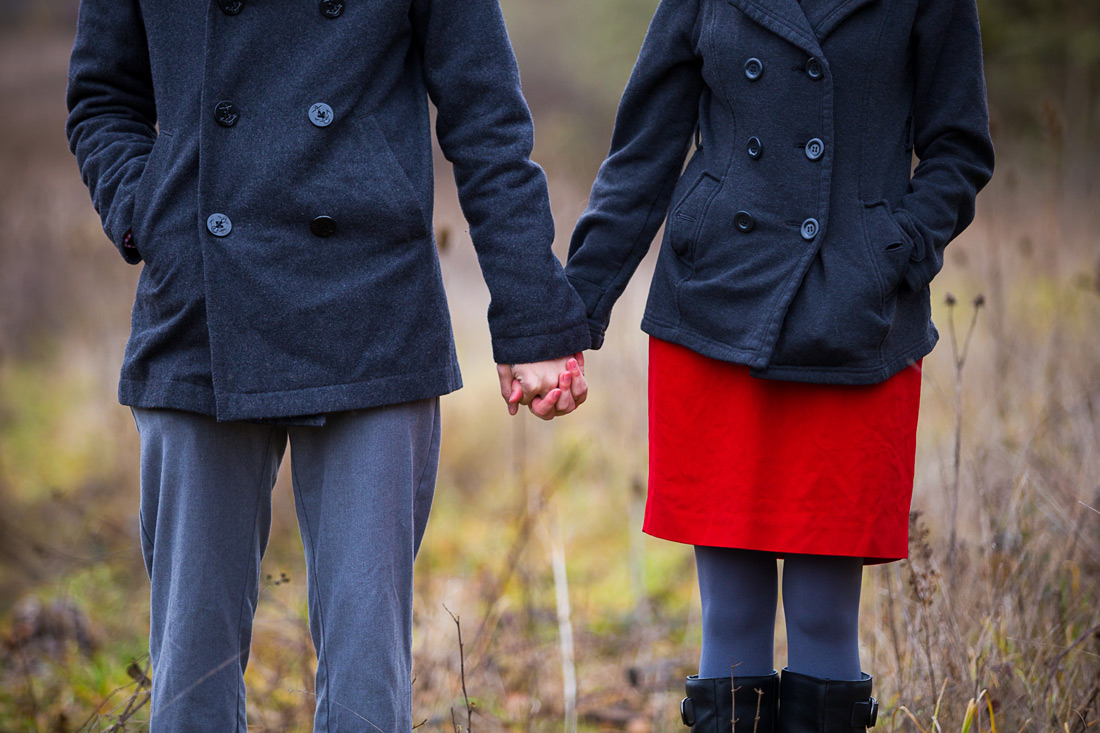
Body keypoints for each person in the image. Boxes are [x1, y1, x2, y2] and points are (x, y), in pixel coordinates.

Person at [65, 0, 589, 729]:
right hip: (198, 312)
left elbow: (486, 115)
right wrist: (147, 210)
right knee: (191, 677)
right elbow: (103, 97)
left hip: (372, 302)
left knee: (368, 682)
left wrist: (532, 316)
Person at [565, 0, 994, 729]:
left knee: (826, 613)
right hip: (715, 314)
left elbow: (960, 148)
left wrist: (891, 251)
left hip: (853, 326)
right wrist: (571, 313)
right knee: (728, 608)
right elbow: (645, 150)